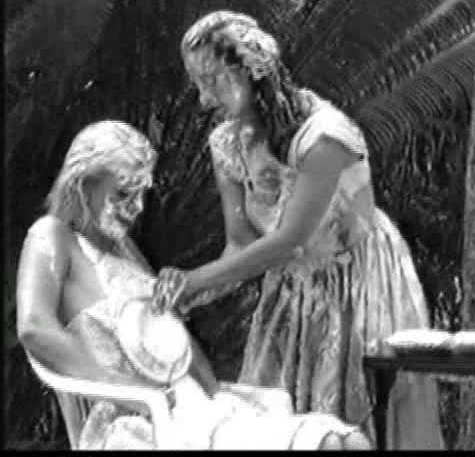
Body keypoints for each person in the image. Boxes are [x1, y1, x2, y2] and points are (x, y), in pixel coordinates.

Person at [152, 10, 444, 449]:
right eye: (198, 83)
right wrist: (187, 291)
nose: (205, 99)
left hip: (357, 283)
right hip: (292, 289)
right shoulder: (227, 145)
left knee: (360, 418)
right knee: (282, 420)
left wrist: (196, 281)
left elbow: (290, 241)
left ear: (251, 68)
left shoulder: (325, 137)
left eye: (212, 80)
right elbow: (241, 245)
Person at [16, 120, 371, 450]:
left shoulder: (124, 249)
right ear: (83, 185)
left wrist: (214, 396)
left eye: (141, 195)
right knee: (329, 444)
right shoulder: (53, 236)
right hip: (137, 419)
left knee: (350, 442)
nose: (136, 208)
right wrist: (123, 389)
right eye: (123, 194)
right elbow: (34, 328)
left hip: (189, 406)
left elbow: (174, 338)